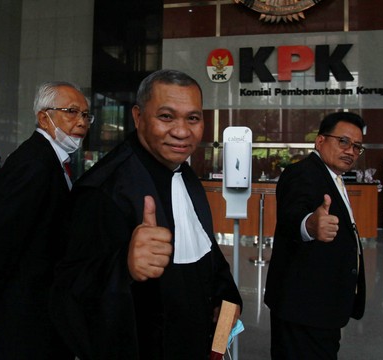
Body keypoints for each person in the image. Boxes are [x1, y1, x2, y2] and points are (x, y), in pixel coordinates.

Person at [50, 69, 242, 359]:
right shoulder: (102, 190)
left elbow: (207, 252)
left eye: (193, 118)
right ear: (138, 117)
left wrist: (227, 297)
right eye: (166, 117)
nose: (181, 131)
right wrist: (124, 267)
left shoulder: (186, 174)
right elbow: (67, 293)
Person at [0, 81, 91, 359]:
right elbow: (0, 238)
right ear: (44, 117)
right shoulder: (33, 163)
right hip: (23, 314)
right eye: (71, 111)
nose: (81, 121)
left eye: (86, 115)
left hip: (45, 307)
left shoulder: (54, 160)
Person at [264, 112, 367, 359]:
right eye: (343, 141)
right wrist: (310, 225)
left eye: (357, 146)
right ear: (320, 141)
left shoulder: (333, 177)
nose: (350, 151)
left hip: (322, 308)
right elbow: (293, 215)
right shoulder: (302, 173)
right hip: (303, 309)